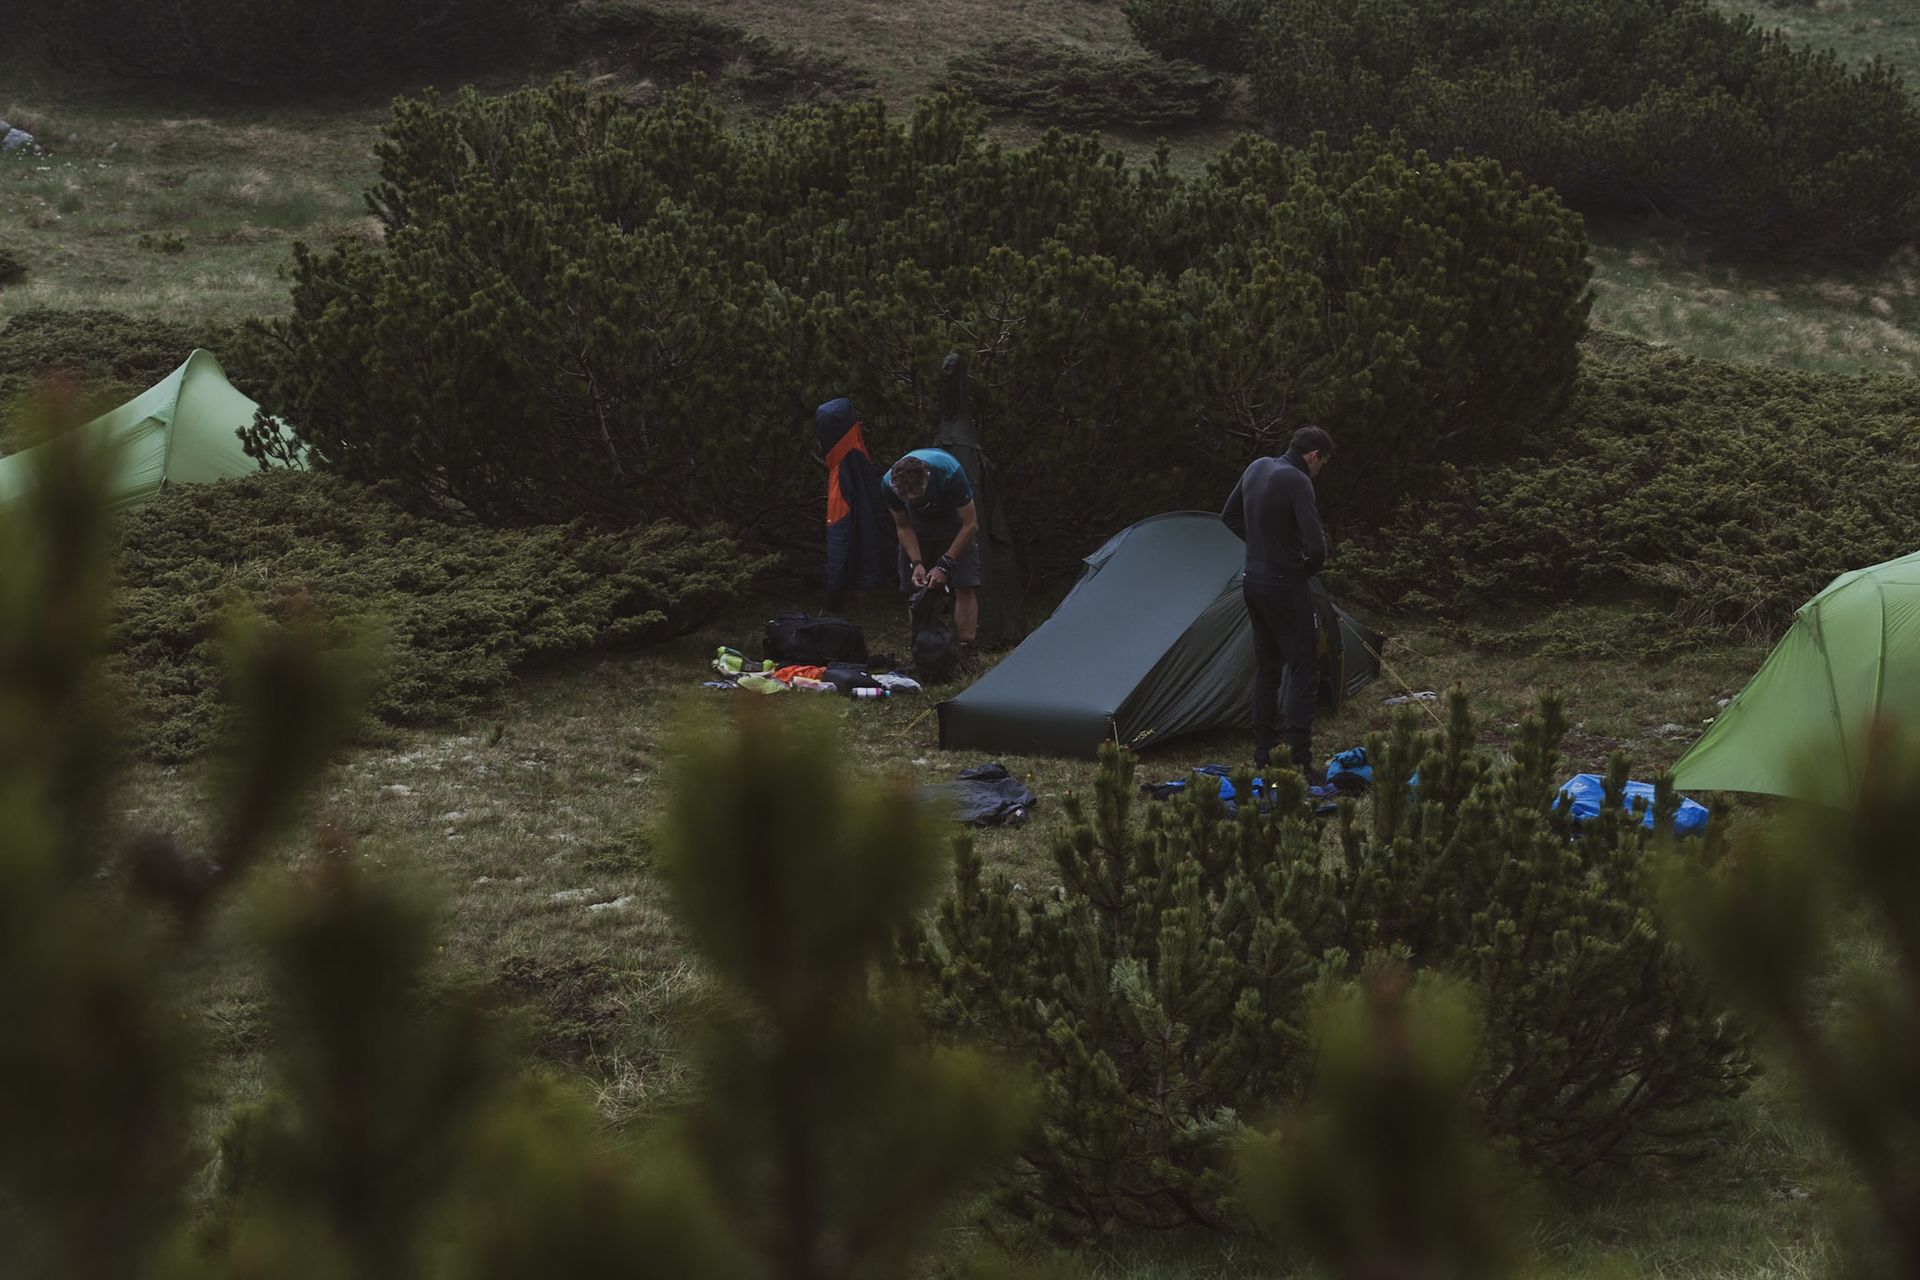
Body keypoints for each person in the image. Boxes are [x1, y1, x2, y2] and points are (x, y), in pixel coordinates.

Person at [1221, 425, 1333, 778]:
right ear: (1313, 456)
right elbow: (1317, 546)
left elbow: (1228, 516)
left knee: (1268, 669)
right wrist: (1304, 568)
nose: (1319, 471)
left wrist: (1262, 545)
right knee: (1305, 668)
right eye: (1322, 464)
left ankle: (1263, 754)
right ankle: (1299, 759)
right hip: (1285, 584)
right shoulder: (1298, 481)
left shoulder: (1257, 466)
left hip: (1252, 580)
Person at [883, 448, 981, 657]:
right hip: (917, 525)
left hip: (956, 521)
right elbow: (903, 526)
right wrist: (917, 563)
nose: (913, 501)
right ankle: (922, 649)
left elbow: (971, 524)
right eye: (908, 499)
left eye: (916, 496)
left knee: (964, 585)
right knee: (916, 588)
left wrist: (945, 564)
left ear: (926, 478)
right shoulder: (888, 484)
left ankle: (968, 650)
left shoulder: (949, 473)